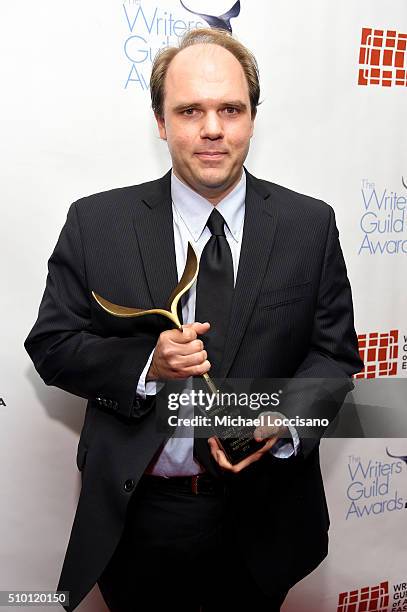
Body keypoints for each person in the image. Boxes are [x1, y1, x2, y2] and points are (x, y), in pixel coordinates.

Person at [25, 27, 363, 612]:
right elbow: (52, 344)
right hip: (140, 524)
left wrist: (286, 415)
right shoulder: (96, 223)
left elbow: (334, 356)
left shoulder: (310, 226)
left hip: (265, 524)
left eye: (230, 109)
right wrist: (146, 365)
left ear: (253, 117)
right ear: (161, 121)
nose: (212, 129)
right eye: (190, 111)